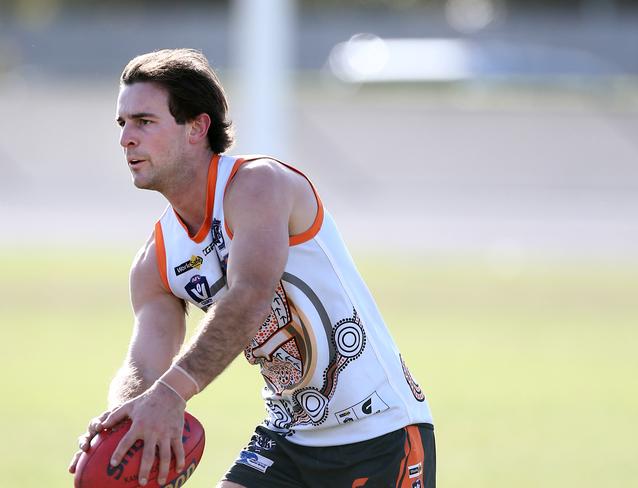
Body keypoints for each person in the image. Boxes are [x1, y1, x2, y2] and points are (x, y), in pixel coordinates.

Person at [68, 48, 435, 488]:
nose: (127, 137)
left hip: (380, 433)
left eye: (144, 121)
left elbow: (251, 296)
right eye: (122, 123)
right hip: (287, 437)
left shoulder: (258, 185)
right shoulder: (156, 259)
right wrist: (127, 420)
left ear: (197, 127)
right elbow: (143, 364)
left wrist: (169, 394)